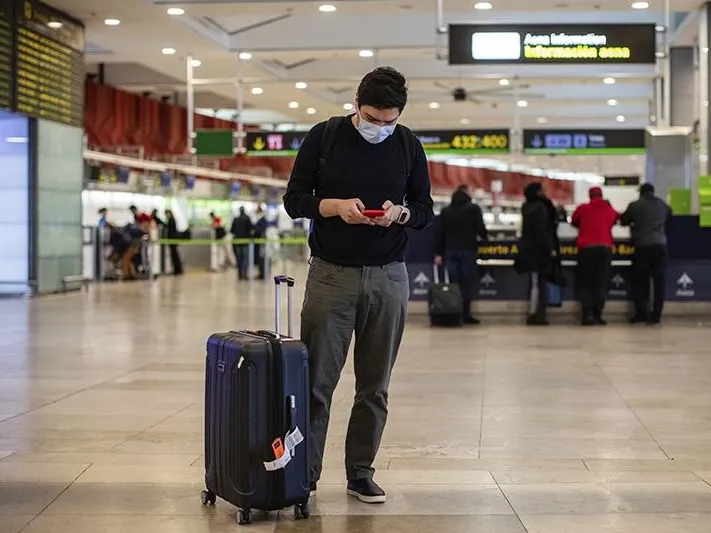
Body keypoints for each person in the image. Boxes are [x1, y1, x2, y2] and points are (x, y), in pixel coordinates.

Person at [283, 66, 434, 504]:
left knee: (374, 385)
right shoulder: (324, 137)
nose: (381, 128)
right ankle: (304, 476)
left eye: (390, 121)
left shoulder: (407, 144)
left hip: (389, 276)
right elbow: (294, 199)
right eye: (373, 118)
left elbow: (424, 209)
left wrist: (399, 214)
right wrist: (331, 207)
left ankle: (361, 473)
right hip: (332, 274)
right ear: (356, 104)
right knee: (317, 383)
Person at [434, 184, 488, 324]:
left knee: (454, 285)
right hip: (468, 250)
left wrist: (438, 253)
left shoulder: (446, 211)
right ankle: (466, 314)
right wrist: (485, 239)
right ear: (467, 194)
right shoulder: (473, 209)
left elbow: (440, 233)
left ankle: (454, 314)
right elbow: (481, 229)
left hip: (450, 251)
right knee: (467, 284)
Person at [620, 183, 672, 325]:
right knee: (659, 282)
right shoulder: (662, 204)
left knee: (639, 280)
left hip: (643, 246)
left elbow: (623, 220)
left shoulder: (635, 205)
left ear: (641, 193)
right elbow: (669, 215)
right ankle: (656, 316)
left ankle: (642, 313)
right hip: (660, 245)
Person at [571, 187, 619, 326]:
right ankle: (598, 314)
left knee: (586, 281)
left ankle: (587, 315)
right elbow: (616, 219)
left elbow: (574, 221)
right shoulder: (609, 209)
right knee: (600, 281)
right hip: (605, 247)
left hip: (586, 248)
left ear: (590, 196)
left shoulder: (583, 208)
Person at [515, 182, 559, 326]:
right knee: (540, 283)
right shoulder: (541, 207)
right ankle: (537, 314)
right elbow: (542, 232)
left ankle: (534, 312)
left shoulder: (526, 206)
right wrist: (550, 249)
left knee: (534, 282)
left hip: (528, 250)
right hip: (539, 251)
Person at [230, 207, 254, 280]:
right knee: (245, 259)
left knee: (239, 258)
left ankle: (239, 275)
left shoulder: (235, 219)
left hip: (237, 242)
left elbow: (232, 230)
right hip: (246, 242)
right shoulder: (247, 219)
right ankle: (245, 274)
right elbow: (251, 229)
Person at [164, 209, 183, 275]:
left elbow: (170, 230)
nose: (166, 215)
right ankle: (177, 270)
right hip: (172, 240)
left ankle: (177, 270)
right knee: (175, 255)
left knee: (175, 255)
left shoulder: (171, 220)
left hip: (172, 240)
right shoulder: (171, 220)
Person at [252, 206, 268, 280]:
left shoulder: (262, 220)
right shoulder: (260, 219)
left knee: (261, 258)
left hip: (261, 243)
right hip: (259, 243)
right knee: (260, 258)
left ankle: (262, 274)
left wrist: (254, 229)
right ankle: (261, 273)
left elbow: (261, 230)